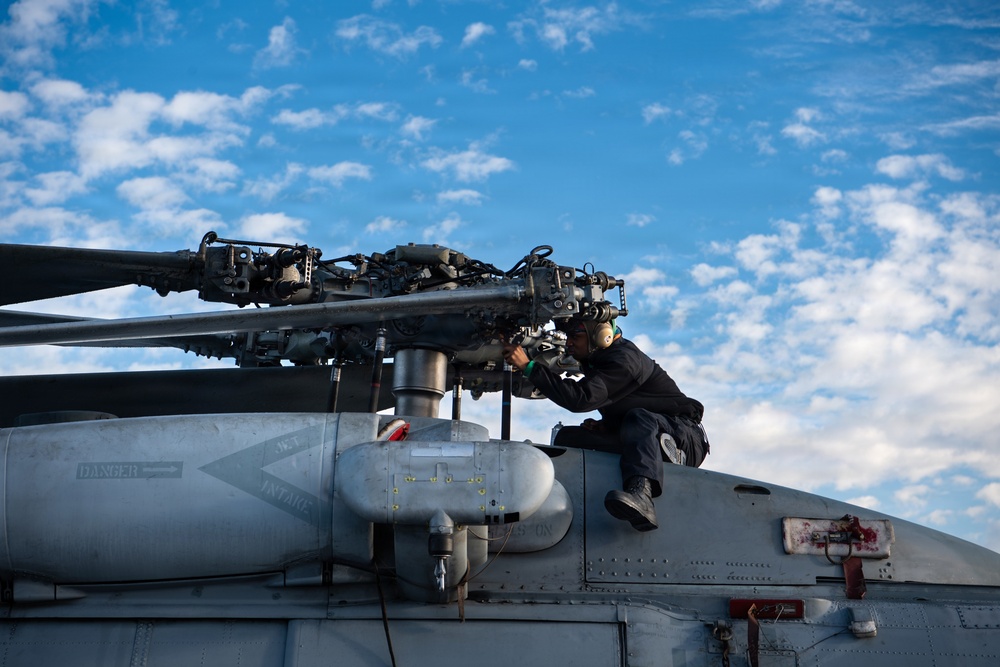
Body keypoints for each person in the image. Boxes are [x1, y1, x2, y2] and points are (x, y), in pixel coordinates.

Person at [502, 318, 708, 532]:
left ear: (601, 335)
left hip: (684, 437)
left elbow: (581, 398)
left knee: (640, 418)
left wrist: (529, 367)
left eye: (575, 336)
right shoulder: (598, 361)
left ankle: (642, 495)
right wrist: (609, 426)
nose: (568, 343)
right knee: (568, 438)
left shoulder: (625, 360)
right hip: (646, 433)